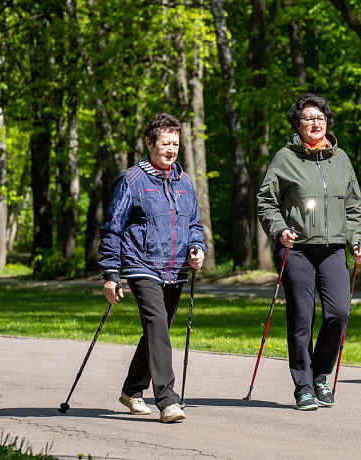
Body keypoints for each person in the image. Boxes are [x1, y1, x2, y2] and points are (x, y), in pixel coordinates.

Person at [257, 93, 361, 410]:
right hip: (298, 250)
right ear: (297, 124)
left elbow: (354, 205)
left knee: (339, 314)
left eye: (320, 118)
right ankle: (303, 386)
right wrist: (280, 230)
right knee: (302, 318)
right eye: (309, 119)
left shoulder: (340, 158)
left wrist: (355, 238)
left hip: (333, 250)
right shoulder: (285, 158)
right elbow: (266, 202)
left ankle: (321, 376)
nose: (315, 124)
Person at [98, 112, 205, 422]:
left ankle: (132, 389)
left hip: (175, 267)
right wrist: (110, 273)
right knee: (157, 324)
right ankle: (168, 400)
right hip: (140, 263)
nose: (171, 149)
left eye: (175, 143)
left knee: (156, 331)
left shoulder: (184, 181)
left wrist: (197, 248)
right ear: (149, 143)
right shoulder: (131, 179)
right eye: (165, 143)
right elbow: (112, 227)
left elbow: (194, 224)